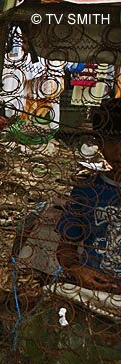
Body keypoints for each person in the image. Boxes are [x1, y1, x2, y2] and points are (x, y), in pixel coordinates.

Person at [56, 97, 121, 294]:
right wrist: (77, 270)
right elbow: (65, 249)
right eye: (112, 141)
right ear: (99, 143)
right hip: (96, 292)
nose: (119, 152)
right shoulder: (86, 190)